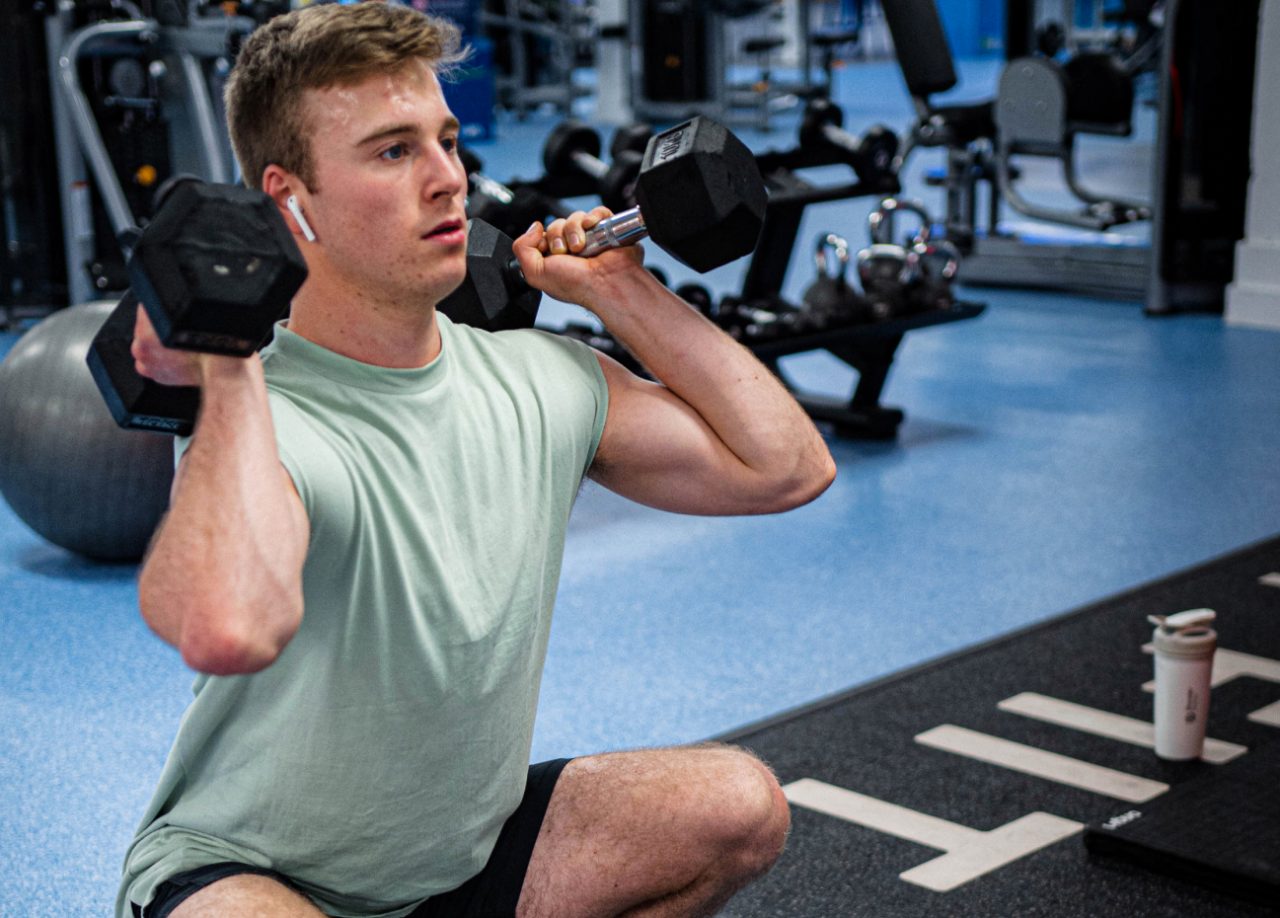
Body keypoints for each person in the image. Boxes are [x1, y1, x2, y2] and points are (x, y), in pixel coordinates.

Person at [116, 2, 836, 916]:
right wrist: (224, 365)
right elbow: (226, 629)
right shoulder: (266, 413)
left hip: (459, 866)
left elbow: (787, 467)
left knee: (738, 805)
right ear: (287, 199)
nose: (448, 179)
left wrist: (622, 290)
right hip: (256, 874)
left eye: (447, 142)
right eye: (393, 151)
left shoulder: (538, 379)